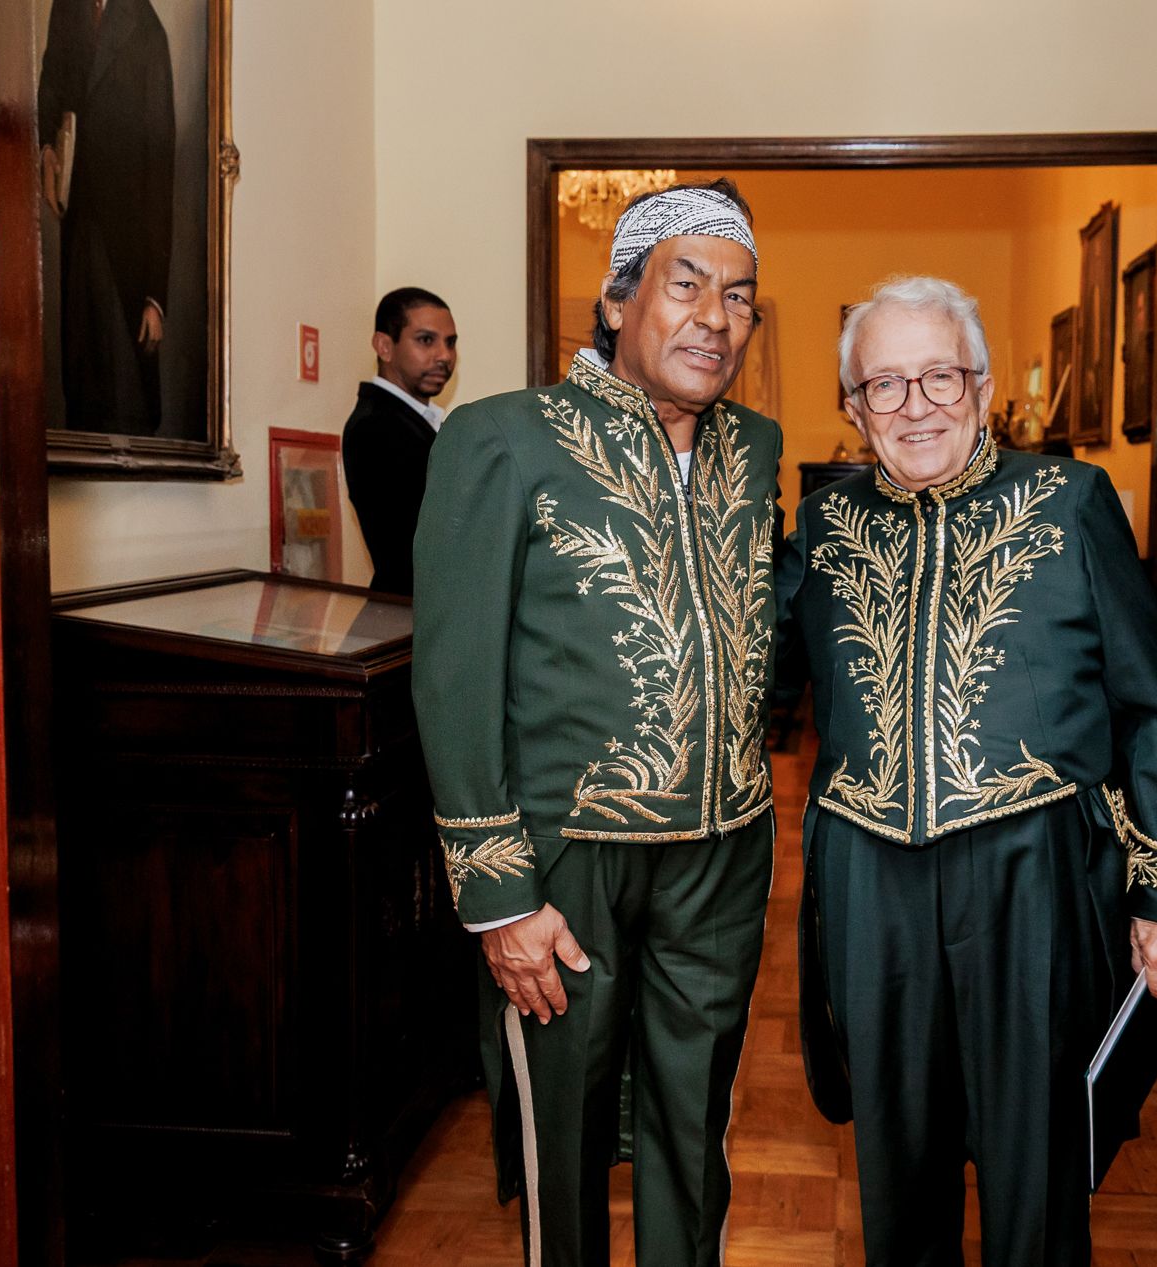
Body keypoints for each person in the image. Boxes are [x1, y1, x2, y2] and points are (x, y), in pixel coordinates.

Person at [779, 276, 1157, 1266]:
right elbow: (755, 674)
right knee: (897, 1158)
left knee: (1037, 1161)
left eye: (939, 376)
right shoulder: (823, 524)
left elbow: (1151, 704)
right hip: (868, 878)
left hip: (1033, 873)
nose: (915, 406)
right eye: (885, 384)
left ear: (979, 386)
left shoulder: (1069, 499)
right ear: (853, 408)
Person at [410, 180, 781, 1267]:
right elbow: (454, 674)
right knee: (560, 1133)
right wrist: (498, 895)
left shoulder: (754, 448)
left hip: (722, 853)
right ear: (618, 301)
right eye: (686, 284)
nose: (715, 318)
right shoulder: (502, 438)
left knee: (693, 1130)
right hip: (566, 858)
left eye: (740, 297)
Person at [36, 0, 175, 435]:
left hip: (128, 249)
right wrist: (46, 150)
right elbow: (51, 85)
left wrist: (155, 297)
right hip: (79, 223)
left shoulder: (147, 29)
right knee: (81, 386)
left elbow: (161, 170)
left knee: (125, 394)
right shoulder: (67, 9)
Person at [341, 288, 457, 594]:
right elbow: (425, 544)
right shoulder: (377, 426)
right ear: (384, 346)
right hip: (408, 608)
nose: (444, 356)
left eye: (450, 342)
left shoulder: (412, 420)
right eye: (426, 340)